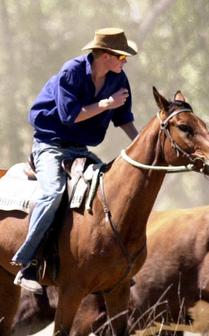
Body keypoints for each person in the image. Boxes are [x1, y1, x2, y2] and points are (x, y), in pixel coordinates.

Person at [11, 28, 140, 294]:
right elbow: (70, 116)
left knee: (106, 192)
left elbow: (123, 118)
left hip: (79, 149)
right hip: (50, 145)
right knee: (53, 192)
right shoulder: (71, 72)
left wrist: (140, 144)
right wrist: (105, 104)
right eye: (122, 57)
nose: (124, 62)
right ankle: (27, 264)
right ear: (106, 55)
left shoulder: (118, 79)